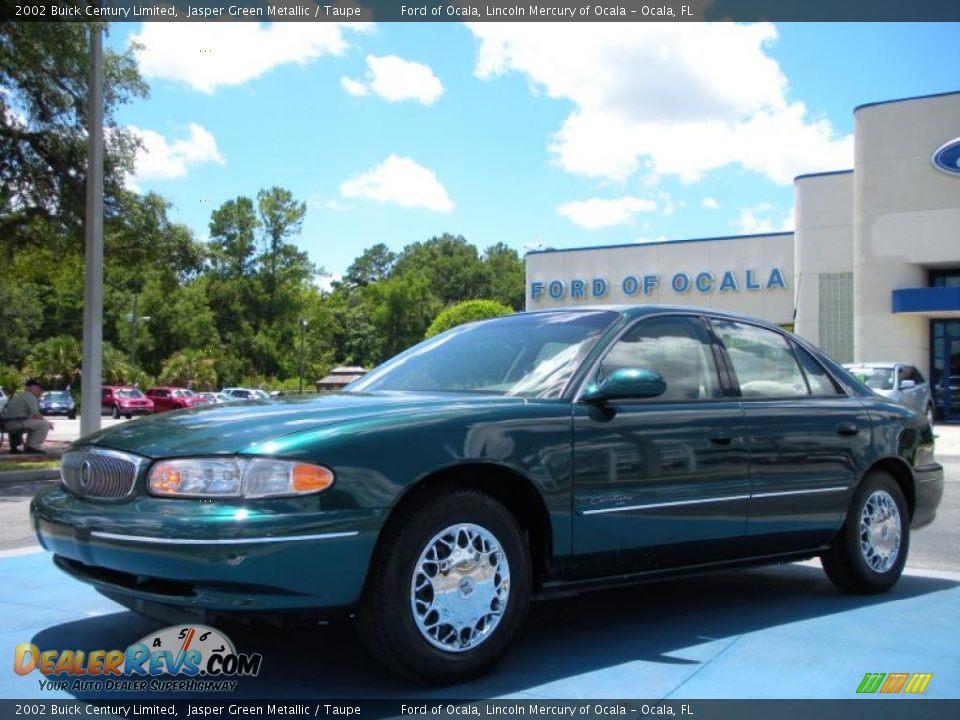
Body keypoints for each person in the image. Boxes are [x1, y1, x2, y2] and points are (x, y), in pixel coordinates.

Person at [3, 379, 54, 454]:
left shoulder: (21, 396)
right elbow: (36, 414)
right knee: (44, 424)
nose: (38, 389)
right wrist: (48, 422)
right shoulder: (29, 396)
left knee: (37, 424)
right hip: (15, 423)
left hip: (9, 423)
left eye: (38, 387)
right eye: (36, 387)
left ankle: (29, 446)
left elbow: (31, 416)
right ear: (29, 388)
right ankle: (32, 447)